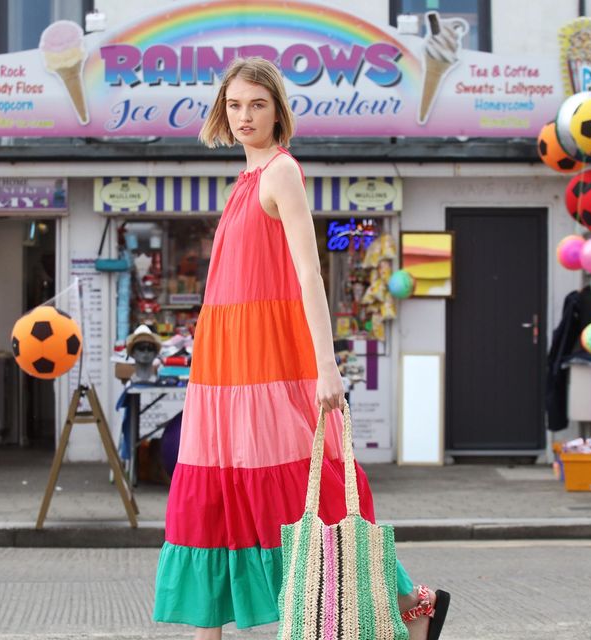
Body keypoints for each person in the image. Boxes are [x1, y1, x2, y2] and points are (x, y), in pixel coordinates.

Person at [152, 57, 449, 640]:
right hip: (225, 367)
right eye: (235, 105)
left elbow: (310, 276)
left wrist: (327, 367)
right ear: (221, 110)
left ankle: (412, 600)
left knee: (297, 494)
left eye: (257, 104)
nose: (244, 116)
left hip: (268, 363)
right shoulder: (243, 181)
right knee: (217, 493)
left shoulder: (281, 172)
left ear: (277, 110)